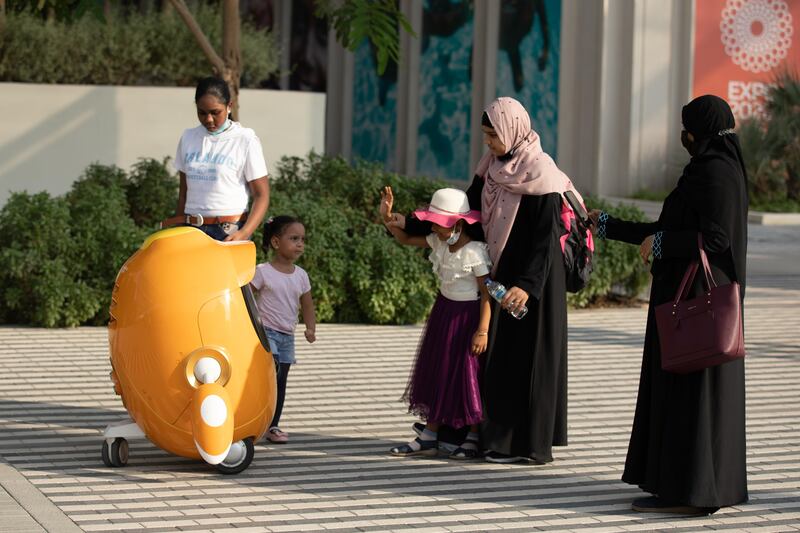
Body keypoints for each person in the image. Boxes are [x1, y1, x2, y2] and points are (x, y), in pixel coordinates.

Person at [396, 97, 585, 464]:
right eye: (486, 136)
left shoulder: (542, 174)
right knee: (494, 359)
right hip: (499, 272)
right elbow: (464, 213)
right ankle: (482, 435)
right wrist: (409, 223)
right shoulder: (492, 167)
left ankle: (524, 446)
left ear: (512, 130)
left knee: (524, 361)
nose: (489, 143)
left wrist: (527, 286)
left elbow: (545, 240)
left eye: (493, 136)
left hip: (534, 284)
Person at [588, 94, 748, 514]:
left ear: (700, 129)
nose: (685, 136)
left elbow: (716, 240)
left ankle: (698, 492)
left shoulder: (717, 173)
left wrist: (662, 243)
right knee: (673, 393)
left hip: (699, 302)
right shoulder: (704, 169)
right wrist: (606, 226)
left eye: (688, 128)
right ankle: (669, 484)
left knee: (695, 397)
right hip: (681, 298)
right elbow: (667, 226)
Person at [381, 186, 492, 459]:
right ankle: (429, 434)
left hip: (467, 317)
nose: (436, 229)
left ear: (460, 222)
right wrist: (386, 217)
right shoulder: (438, 243)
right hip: (443, 311)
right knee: (437, 367)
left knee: (466, 374)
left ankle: (473, 436)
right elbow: (405, 239)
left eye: (441, 225)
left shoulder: (475, 252)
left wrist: (483, 330)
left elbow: (487, 294)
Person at [167, 76, 270, 241]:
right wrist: (178, 229)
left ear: (229, 106)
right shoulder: (188, 137)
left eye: (215, 112)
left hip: (229, 231)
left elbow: (262, 195)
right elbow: (183, 194)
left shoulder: (245, 139)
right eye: (202, 112)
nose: (208, 119)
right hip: (191, 230)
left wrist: (244, 233)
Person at [250, 216, 317, 444]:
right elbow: (246, 296)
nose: (300, 244)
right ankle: (254, 419)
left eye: (302, 239)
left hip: (288, 336)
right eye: (294, 238)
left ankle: (273, 425)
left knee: (280, 383)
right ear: (276, 243)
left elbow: (307, 304)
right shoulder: (262, 271)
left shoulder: (301, 275)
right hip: (266, 332)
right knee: (273, 367)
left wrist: (310, 328)